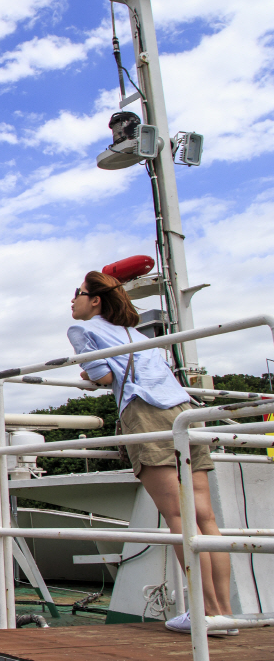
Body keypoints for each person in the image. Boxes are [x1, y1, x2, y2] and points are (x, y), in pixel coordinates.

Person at [68, 270, 235, 634]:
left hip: (146, 414)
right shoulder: (136, 333)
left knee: (178, 516)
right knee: (205, 518)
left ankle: (204, 614)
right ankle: (223, 612)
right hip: (183, 412)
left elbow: (105, 377)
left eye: (77, 293)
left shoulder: (83, 330)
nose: (72, 300)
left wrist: (87, 375)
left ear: (95, 300)